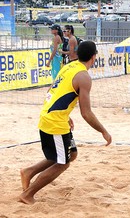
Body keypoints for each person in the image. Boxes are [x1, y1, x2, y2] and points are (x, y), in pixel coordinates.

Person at [19, 41, 112, 205]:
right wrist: (103, 131)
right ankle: (28, 195)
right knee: (63, 163)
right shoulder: (84, 77)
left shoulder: (69, 66)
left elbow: (51, 91)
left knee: (71, 154)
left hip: (53, 117)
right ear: (94, 57)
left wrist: (66, 114)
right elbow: (86, 113)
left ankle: (29, 172)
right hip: (54, 123)